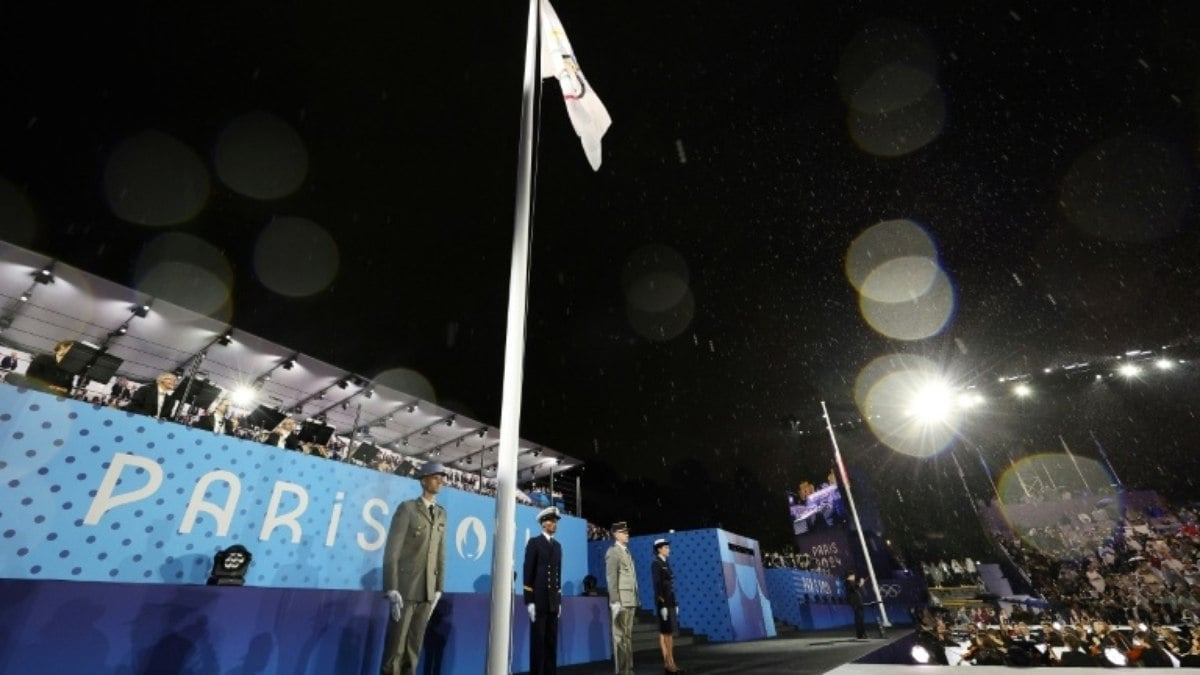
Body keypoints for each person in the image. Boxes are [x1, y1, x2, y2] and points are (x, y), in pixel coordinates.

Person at [381, 462, 448, 675]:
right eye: (435, 476)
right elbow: (393, 550)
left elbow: (440, 552)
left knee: (414, 648)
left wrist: (439, 587)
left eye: (441, 478)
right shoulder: (407, 508)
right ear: (423, 480)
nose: (440, 481)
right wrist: (392, 587)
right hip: (406, 588)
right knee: (396, 648)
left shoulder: (441, 514)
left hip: (428, 590)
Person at [523, 506, 563, 675]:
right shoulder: (534, 543)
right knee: (538, 642)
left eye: (555, 521)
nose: (555, 524)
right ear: (543, 523)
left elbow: (557, 575)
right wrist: (529, 601)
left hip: (553, 601)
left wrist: (559, 601)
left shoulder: (558, 546)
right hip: (538, 600)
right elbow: (528, 572)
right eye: (552, 521)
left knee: (551, 642)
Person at [605, 521, 638, 675]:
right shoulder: (613, 552)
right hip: (621, 601)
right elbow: (611, 577)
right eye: (624, 532)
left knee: (627, 638)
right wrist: (614, 600)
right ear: (616, 534)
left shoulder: (626, 552)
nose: (627, 534)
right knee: (620, 639)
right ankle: (621, 672)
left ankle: (629, 671)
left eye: (627, 532)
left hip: (630, 599)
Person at [650, 538, 683, 674]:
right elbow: (658, 585)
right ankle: (669, 663)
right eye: (666, 547)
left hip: (670, 601)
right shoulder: (656, 564)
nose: (669, 549)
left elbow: (671, 586)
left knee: (668, 633)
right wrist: (662, 604)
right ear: (659, 549)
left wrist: (675, 603)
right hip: (663, 603)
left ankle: (669, 662)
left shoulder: (666, 563)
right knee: (666, 633)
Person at [846, 571, 867, 639]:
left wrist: (861, 583)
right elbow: (853, 588)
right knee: (858, 618)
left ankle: (862, 633)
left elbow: (856, 586)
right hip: (855, 603)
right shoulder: (847, 582)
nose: (854, 577)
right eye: (853, 576)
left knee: (861, 618)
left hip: (859, 603)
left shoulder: (852, 582)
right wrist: (860, 583)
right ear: (850, 576)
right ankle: (860, 634)